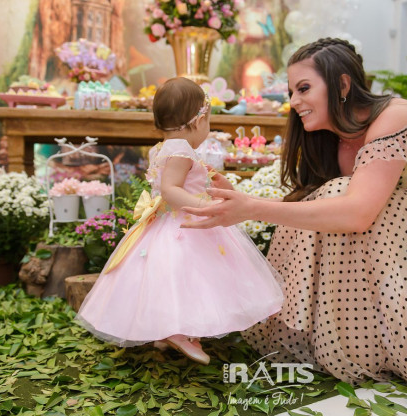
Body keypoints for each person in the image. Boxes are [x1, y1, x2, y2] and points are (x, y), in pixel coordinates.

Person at [181, 38, 407, 404]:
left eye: (304, 88)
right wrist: (243, 201)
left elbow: (359, 213)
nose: (293, 102)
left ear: (343, 85)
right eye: (291, 92)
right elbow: (320, 208)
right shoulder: (331, 136)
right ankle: (356, 339)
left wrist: (253, 208)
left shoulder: (394, 118)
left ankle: (404, 339)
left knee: (338, 199)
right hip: (400, 220)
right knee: (323, 203)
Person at [75, 77, 284, 365]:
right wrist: (203, 206)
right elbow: (171, 190)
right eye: (208, 122)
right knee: (193, 277)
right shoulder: (181, 150)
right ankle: (179, 332)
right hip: (184, 224)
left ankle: (166, 330)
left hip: (164, 223)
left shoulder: (161, 148)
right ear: (198, 121)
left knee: (169, 280)